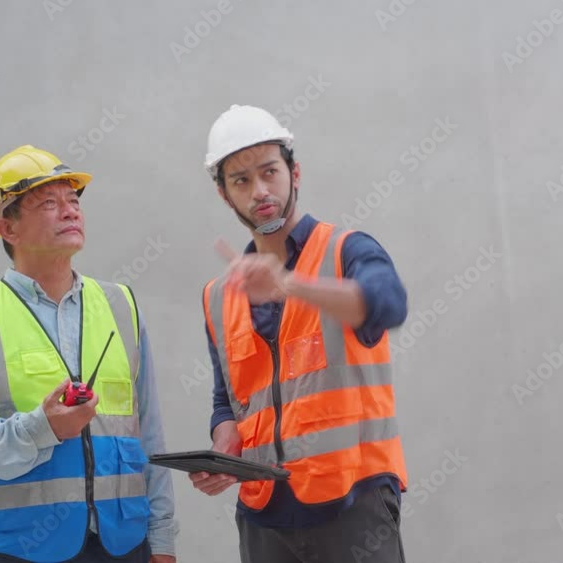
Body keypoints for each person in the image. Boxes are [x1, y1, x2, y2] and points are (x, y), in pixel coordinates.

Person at [0, 145, 178, 563]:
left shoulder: (121, 307)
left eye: (74, 200)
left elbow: (149, 432)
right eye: (49, 203)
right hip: (16, 551)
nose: (70, 211)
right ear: (8, 227)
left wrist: (162, 539)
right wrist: (40, 429)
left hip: (124, 547)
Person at [189, 105, 410, 562]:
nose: (260, 191)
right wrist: (223, 450)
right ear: (224, 194)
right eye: (241, 181)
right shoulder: (218, 296)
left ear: (295, 173)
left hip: (353, 502)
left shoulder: (347, 250)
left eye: (270, 172)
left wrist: (289, 285)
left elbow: (388, 304)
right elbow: (227, 401)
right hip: (263, 513)